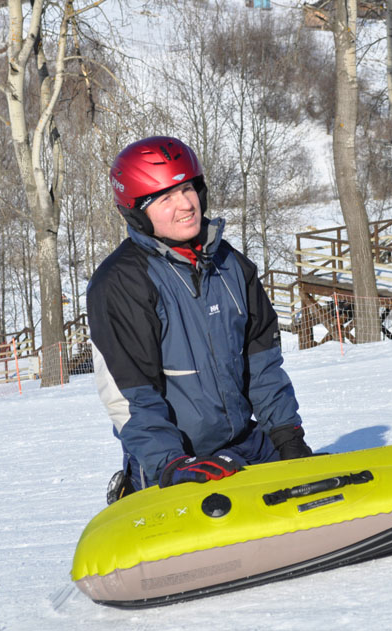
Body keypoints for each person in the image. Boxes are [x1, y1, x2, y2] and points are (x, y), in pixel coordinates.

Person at [87, 136, 312, 503]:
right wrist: (171, 464)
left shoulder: (230, 264)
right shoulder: (121, 283)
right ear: (137, 212)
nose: (185, 205)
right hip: (176, 466)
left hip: (247, 447)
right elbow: (130, 397)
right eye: (165, 198)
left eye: (188, 188)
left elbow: (262, 365)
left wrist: (286, 434)